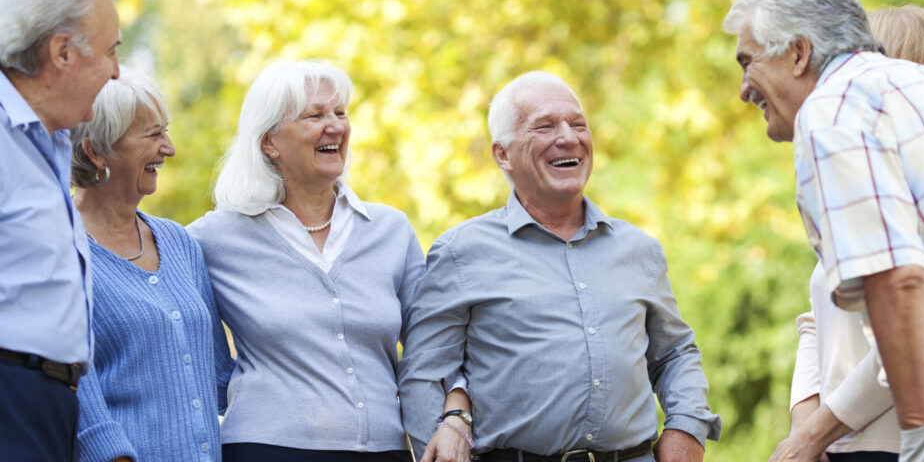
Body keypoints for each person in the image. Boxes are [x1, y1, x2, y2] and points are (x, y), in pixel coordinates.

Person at [724, 0, 924, 462]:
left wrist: (920, 432)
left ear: (798, 53)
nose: (742, 89)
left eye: (747, 62)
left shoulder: (832, 110)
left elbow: (898, 284)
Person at [398, 71, 721, 462]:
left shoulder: (639, 249)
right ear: (502, 154)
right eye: (545, 126)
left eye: (578, 124)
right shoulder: (460, 252)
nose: (568, 137)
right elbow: (423, 373)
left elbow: (675, 354)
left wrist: (687, 427)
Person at [187, 60, 425, 462]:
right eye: (314, 115)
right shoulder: (215, 236)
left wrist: (452, 418)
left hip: (384, 449)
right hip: (267, 449)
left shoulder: (391, 230)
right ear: (269, 142)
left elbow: (430, 344)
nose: (335, 126)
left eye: (340, 113)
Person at [778, 4, 924, 462]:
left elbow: (911, 332)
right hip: (837, 442)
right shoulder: (861, 179)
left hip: (904, 444)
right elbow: (816, 317)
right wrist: (804, 422)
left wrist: (814, 436)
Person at [69, 67, 234, 461]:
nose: (170, 148)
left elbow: (219, 377)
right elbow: (78, 390)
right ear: (96, 150)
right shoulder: (62, 248)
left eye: (166, 131)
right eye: (153, 134)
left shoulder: (179, 243)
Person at [0, 0, 120, 461]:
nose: (117, 71)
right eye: (112, 51)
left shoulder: (46, 141)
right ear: (63, 52)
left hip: (49, 403)